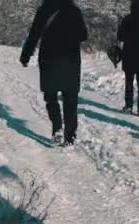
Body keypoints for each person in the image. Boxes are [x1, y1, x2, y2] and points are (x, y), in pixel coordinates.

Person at [20, 0, 88, 145]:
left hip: (49, 59)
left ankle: (57, 127)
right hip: (70, 60)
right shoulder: (74, 11)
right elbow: (84, 35)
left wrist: (25, 55)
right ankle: (70, 136)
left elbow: (34, 34)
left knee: (50, 95)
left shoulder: (44, 10)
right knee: (70, 98)